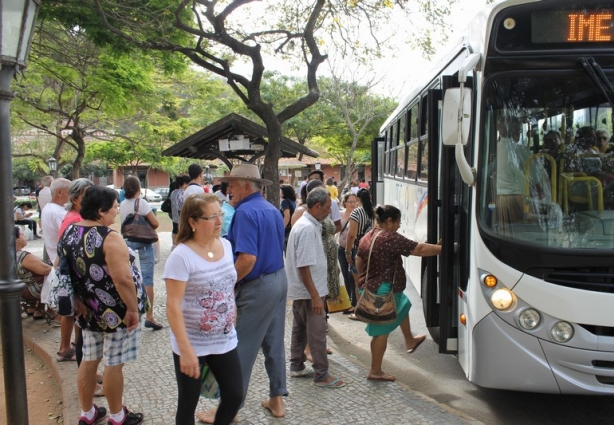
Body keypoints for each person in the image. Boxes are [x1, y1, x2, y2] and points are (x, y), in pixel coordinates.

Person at [198, 163, 287, 422]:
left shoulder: (245, 212)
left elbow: (247, 258)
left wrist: (227, 284)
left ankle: (229, 409)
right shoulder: (271, 209)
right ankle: (277, 399)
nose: (228, 190)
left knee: (240, 348)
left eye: (233, 185)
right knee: (274, 343)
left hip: (258, 285)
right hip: (278, 280)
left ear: (247, 186)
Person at [58, 186, 147, 425]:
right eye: (114, 207)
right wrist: (131, 309)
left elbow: (63, 268)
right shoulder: (109, 237)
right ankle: (118, 416)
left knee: (89, 359)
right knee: (114, 363)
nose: (117, 211)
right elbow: (123, 279)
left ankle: (87, 413)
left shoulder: (70, 233)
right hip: (116, 312)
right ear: (100, 211)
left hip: (88, 310)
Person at [163, 193, 244, 425]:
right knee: (188, 405)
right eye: (211, 217)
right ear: (193, 222)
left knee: (234, 395)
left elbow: (229, 286)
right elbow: (173, 306)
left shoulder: (226, 245)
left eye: (220, 214)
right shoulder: (181, 256)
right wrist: (186, 350)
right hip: (192, 344)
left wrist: (233, 311)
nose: (219, 221)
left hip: (224, 339)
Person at [355, 205, 441, 382]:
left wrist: (362, 284)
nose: (399, 226)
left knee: (403, 304)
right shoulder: (389, 238)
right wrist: (442, 250)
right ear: (389, 221)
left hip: (371, 288)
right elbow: (419, 249)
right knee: (381, 332)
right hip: (382, 292)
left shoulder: (368, 236)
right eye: (398, 222)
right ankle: (375, 371)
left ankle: (409, 339)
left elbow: (358, 260)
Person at [286, 188, 345, 388]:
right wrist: (315, 296)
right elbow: (304, 265)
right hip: (310, 292)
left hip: (304, 290)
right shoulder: (308, 228)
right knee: (317, 333)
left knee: (300, 329)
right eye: (328, 207)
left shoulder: (306, 224)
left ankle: (296, 365)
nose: (329, 211)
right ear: (317, 206)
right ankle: (321, 374)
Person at [120, 176, 162, 331]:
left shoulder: (123, 204)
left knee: (131, 279)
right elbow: (156, 223)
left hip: (128, 243)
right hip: (143, 244)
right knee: (147, 280)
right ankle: (150, 316)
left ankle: (132, 310)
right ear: (139, 188)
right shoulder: (142, 203)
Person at [41, 177, 73, 360]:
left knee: (68, 313)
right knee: (71, 312)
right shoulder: (58, 212)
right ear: (60, 192)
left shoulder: (49, 209)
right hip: (64, 265)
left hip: (58, 263)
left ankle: (66, 347)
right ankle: (68, 347)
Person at [345, 188, 374, 311]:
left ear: (358, 199)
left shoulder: (356, 213)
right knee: (370, 282)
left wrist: (347, 251)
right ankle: (371, 307)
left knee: (359, 283)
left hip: (358, 251)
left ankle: (361, 310)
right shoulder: (374, 212)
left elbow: (351, 235)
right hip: (372, 250)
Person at [15, 226, 52, 320]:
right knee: (55, 274)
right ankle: (52, 311)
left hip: (20, 289)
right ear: (16, 240)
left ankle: (35, 309)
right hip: (30, 291)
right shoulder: (23, 256)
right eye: (22, 235)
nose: (24, 236)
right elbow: (46, 269)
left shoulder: (7, 255)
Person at [337, 193, 358, 313]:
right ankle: (349, 301)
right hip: (341, 248)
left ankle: (354, 303)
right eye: (350, 201)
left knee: (352, 275)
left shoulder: (358, 214)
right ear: (345, 203)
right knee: (345, 275)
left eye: (354, 202)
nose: (352, 204)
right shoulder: (339, 214)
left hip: (353, 249)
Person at [170, 174, 190, 247]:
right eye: (188, 184)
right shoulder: (182, 193)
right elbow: (181, 206)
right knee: (181, 231)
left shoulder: (173, 192)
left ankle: (174, 245)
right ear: (185, 184)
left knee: (174, 230)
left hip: (174, 216)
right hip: (181, 216)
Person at [280, 184, 296, 252]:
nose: (280, 193)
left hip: (286, 230)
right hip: (292, 228)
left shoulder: (285, 202)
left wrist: (281, 228)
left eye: (281, 192)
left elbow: (287, 216)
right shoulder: (293, 202)